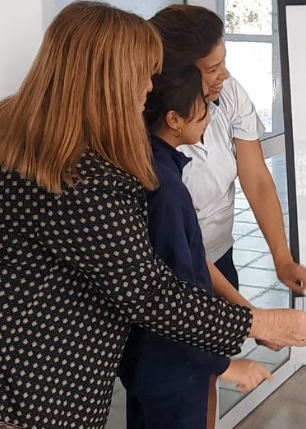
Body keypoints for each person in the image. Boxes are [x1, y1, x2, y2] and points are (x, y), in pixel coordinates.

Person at [0, 1, 306, 429]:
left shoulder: (3, 123)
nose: (150, 89)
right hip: (2, 380)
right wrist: (261, 322)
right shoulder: (84, 177)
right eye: (143, 77)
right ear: (106, 84)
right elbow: (151, 295)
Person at [119, 66, 273, 429]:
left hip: (155, 366)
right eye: (202, 107)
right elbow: (177, 296)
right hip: (171, 371)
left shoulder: (154, 169)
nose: (210, 114)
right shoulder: (168, 191)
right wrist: (228, 366)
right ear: (174, 119)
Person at [149, 5, 306, 295]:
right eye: (212, 69)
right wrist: (252, 317)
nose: (224, 75)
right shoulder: (155, 151)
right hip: (172, 271)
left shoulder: (228, 93)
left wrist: (283, 259)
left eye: (223, 62)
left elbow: (256, 178)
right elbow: (182, 244)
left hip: (219, 255)